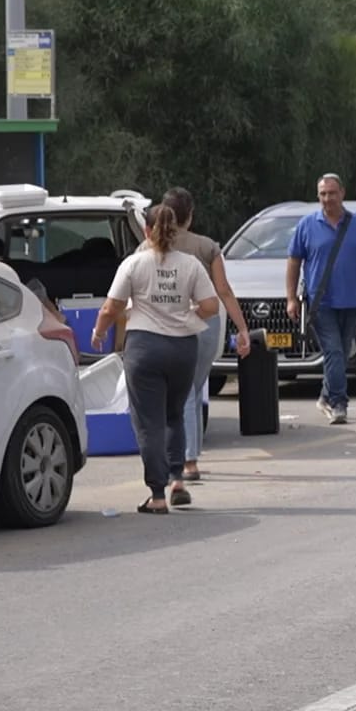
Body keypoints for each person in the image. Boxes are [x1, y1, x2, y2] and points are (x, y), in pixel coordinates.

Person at [92, 204, 220, 514]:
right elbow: (211, 305)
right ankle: (178, 479)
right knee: (175, 414)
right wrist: (189, 316)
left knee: (149, 423)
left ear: (146, 231)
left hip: (144, 348)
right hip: (182, 349)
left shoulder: (134, 264)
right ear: (176, 231)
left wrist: (99, 333)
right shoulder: (190, 265)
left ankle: (157, 494)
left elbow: (112, 307)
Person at [286, 173, 356, 425]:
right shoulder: (307, 225)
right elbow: (294, 262)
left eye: (332, 193)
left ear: (342, 193)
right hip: (320, 302)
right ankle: (338, 402)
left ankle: (326, 395)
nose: (327, 198)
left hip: (351, 300)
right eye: (323, 194)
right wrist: (291, 298)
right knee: (335, 351)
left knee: (340, 352)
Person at [158, 187, 252, 482]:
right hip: (208, 325)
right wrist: (243, 328)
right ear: (191, 215)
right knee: (196, 390)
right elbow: (223, 290)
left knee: (183, 393)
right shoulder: (208, 246)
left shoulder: (154, 246)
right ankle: (192, 456)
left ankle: (188, 460)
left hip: (174, 325)